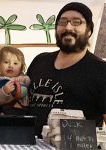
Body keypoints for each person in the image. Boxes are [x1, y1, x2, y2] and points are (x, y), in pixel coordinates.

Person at [27, 2, 106, 138]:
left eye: (77, 22)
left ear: (89, 31)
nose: (68, 27)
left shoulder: (101, 70)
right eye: (62, 22)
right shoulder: (40, 61)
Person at [0, 46, 30, 115]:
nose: (11, 66)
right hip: (6, 113)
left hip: (24, 112)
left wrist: (24, 79)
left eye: (15, 63)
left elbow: (29, 82)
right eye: (6, 62)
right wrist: (4, 91)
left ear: (21, 67)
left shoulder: (22, 77)